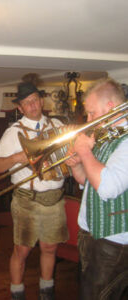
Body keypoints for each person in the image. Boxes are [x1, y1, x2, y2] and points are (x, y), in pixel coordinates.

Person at [0, 81, 69, 300]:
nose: (33, 106)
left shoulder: (56, 125)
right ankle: (17, 293)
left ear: (41, 101)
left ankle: (47, 292)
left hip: (55, 197)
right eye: (27, 103)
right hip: (27, 199)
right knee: (22, 251)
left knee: (50, 247)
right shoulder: (13, 133)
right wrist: (18, 157)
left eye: (35, 100)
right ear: (20, 109)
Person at [65, 78, 128, 300]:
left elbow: (108, 188)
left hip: (113, 239)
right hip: (91, 232)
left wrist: (85, 153)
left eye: (92, 113)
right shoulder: (105, 136)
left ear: (110, 108)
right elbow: (89, 182)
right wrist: (77, 167)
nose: (89, 120)